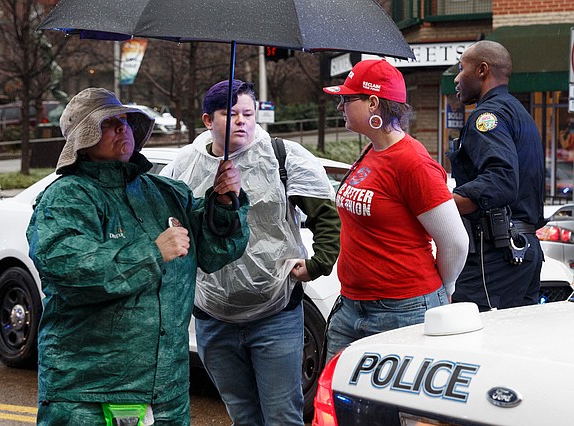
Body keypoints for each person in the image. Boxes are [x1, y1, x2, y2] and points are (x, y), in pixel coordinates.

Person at [26, 87, 249, 426]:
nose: (122, 129)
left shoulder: (166, 192)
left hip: (167, 393)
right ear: (83, 140)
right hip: (88, 395)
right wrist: (152, 253)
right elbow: (72, 272)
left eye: (125, 122)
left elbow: (215, 251)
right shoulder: (65, 199)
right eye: (108, 124)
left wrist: (224, 203)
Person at [160, 79, 340, 425]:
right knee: (243, 414)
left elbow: (326, 216)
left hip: (275, 313)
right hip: (214, 317)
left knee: (282, 415)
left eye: (248, 113)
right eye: (230, 114)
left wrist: (317, 264)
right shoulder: (185, 164)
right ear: (207, 120)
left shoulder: (281, 157)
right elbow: (166, 223)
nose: (242, 120)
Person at [322, 59, 469, 361]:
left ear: (373, 102)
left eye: (347, 99)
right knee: (336, 400)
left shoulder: (412, 162)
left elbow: (455, 241)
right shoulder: (372, 150)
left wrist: (445, 289)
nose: (340, 107)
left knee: (391, 408)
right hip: (351, 305)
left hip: (404, 310)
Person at [447, 40, 545, 311]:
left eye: (460, 68)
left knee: (472, 339)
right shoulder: (518, 112)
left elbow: (501, 180)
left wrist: (439, 204)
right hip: (522, 251)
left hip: (495, 256)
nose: (456, 78)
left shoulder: (487, 116)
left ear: (482, 70)